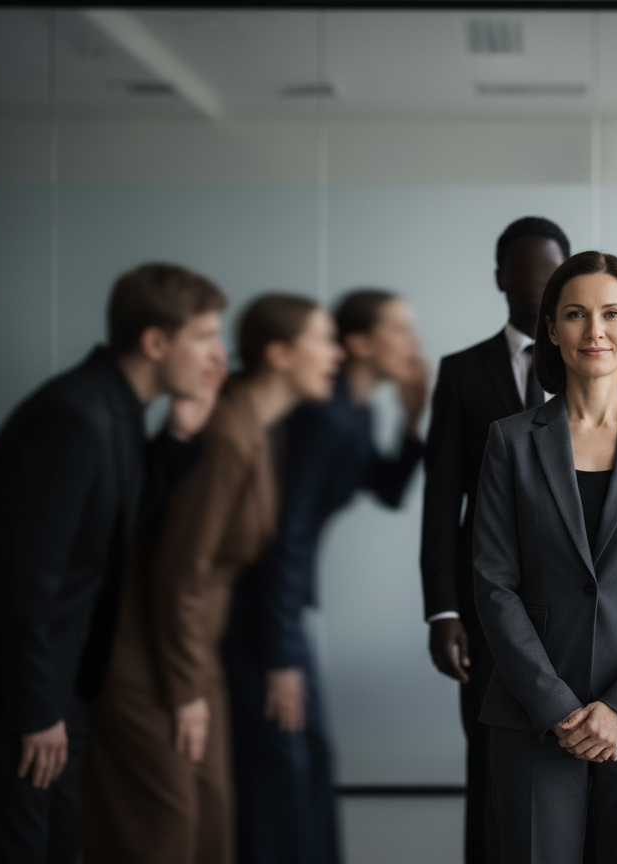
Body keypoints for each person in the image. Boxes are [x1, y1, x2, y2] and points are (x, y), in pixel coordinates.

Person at [0, 262, 227, 864]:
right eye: (206, 335)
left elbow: (110, 519)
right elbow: (25, 578)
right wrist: (36, 712)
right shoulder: (73, 417)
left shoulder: (112, 407)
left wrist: (181, 435)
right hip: (14, 702)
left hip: (52, 691)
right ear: (156, 342)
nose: (219, 353)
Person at [81, 294, 342, 864]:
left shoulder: (264, 426)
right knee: (168, 830)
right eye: (323, 340)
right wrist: (185, 691)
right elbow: (177, 576)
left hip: (192, 652)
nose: (337, 354)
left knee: (211, 827)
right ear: (278, 355)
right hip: (147, 655)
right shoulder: (227, 433)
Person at [473, 250, 617, 864]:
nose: (595, 330)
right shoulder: (510, 440)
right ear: (551, 329)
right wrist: (555, 707)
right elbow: (493, 584)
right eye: (575, 314)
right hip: (533, 715)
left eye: (612, 313)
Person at [221, 288, 428, 864]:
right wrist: (280, 654)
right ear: (359, 343)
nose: (414, 345)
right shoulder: (322, 415)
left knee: (301, 758)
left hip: (280, 606)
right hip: (260, 610)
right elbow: (282, 537)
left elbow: (384, 490)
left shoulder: (355, 410)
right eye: (400, 330)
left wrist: (412, 420)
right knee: (283, 761)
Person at [420, 216, 569, 863]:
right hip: (484, 601)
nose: (536, 281)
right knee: (488, 754)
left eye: (549, 267)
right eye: (524, 267)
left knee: (565, 753)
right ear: (500, 278)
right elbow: (439, 498)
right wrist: (443, 608)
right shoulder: (461, 372)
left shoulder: (590, 361)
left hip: (569, 600)